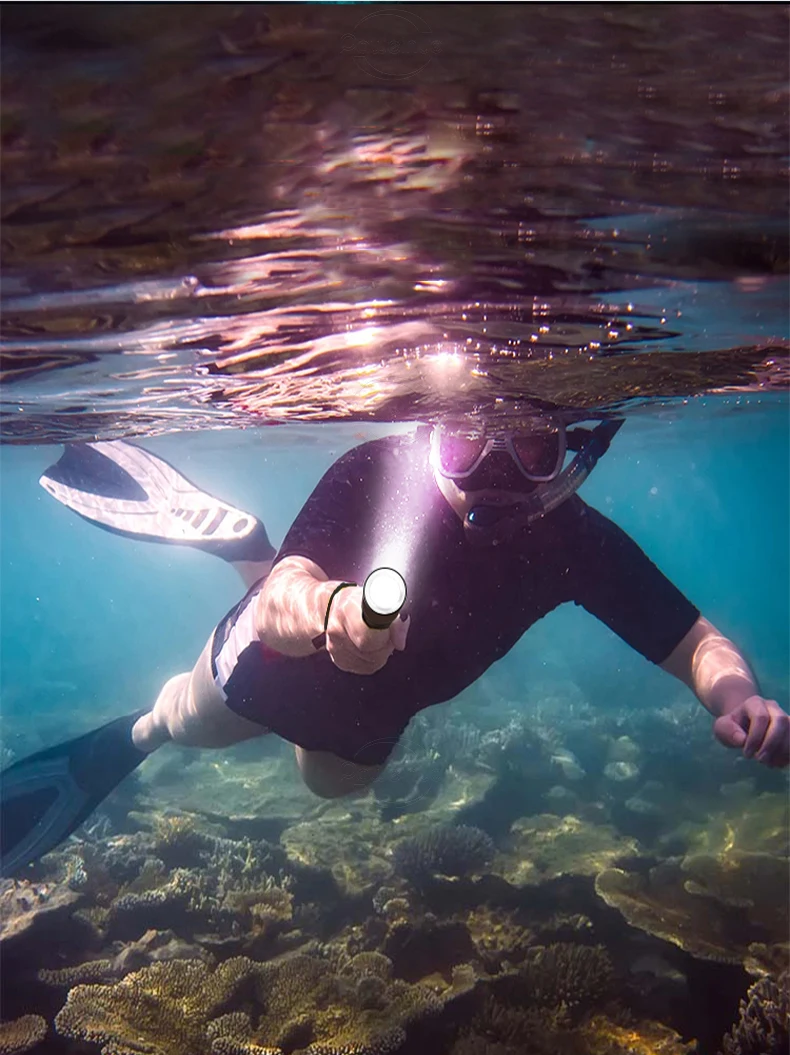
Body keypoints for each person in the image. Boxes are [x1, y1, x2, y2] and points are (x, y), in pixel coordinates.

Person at [2, 405, 788, 877]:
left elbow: (692, 640)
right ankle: (147, 717)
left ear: (568, 452)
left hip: (367, 723)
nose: (493, 473)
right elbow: (283, 599)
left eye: (530, 447)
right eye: (466, 442)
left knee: (329, 785)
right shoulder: (378, 471)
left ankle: (250, 553)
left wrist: (738, 696)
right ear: (431, 433)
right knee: (183, 722)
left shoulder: (574, 541)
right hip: (276, 665)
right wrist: (329, 609)